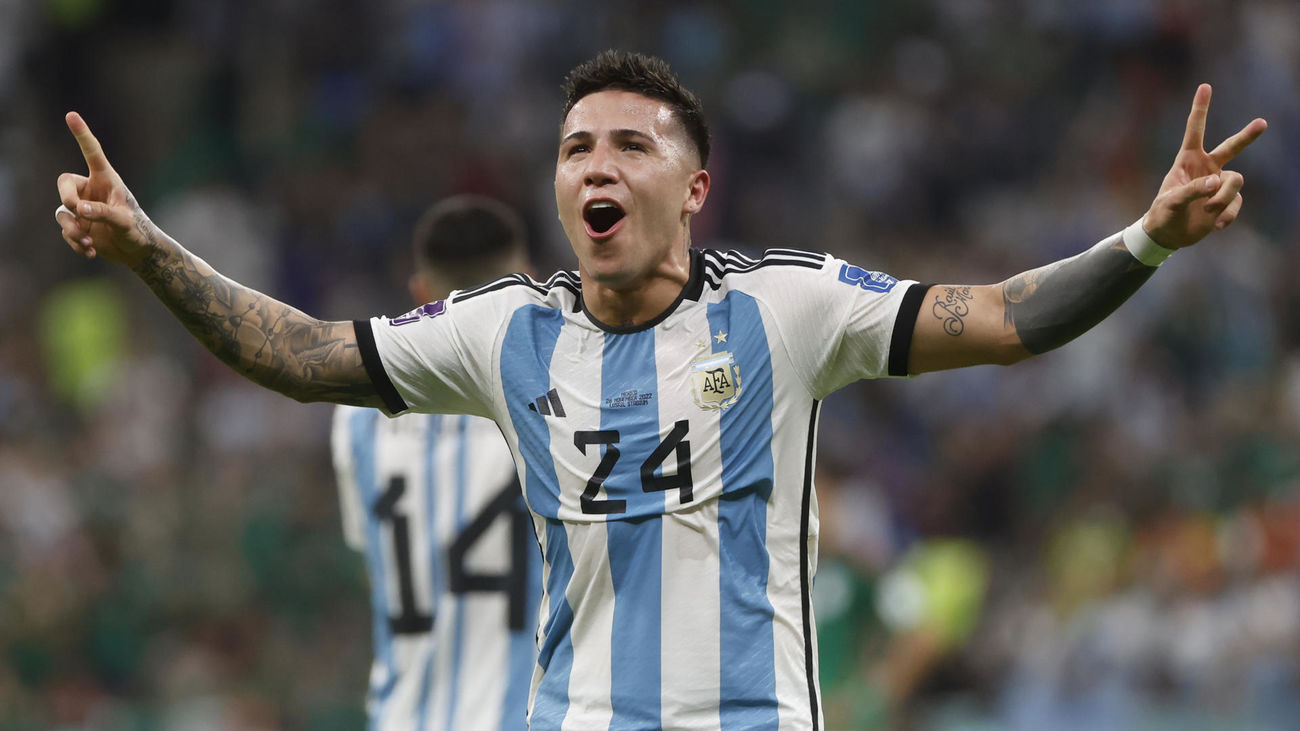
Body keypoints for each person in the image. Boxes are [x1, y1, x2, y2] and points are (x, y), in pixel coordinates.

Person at [54, 50, 1266, 729]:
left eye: (631, 144)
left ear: (693, 189)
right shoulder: (502, 330)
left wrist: (1146, 239)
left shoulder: (785, 307)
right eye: (577, 147)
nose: (598, 162)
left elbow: (1000, 318)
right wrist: (150, 249)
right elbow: (307, 355)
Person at [329, 195, 540, 729]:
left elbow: (376, 571)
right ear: (529, 284)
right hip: (528, 716)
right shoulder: (556, 397)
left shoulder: (358, 417)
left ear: (421, 294)